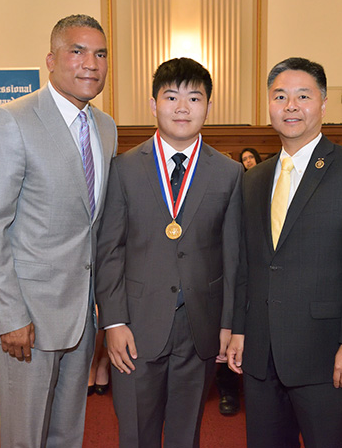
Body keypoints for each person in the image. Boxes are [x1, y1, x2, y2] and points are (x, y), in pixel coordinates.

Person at [226, 57, 342, 447]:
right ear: (268, 106)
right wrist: (238, 329)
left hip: (328, 354)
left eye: (303, 96)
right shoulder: (254, 179)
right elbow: (248, 265)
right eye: (280, 96)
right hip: (262, 354)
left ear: (322, 104)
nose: (290, 105)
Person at [0, 14, 117, 448]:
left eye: (101, 53)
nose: (91, 63)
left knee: (67, 432)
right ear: (50, 60)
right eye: (78, 51)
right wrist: (9, 315)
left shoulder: (104, 128)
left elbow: (92, 223)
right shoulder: (10, 120)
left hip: (81, 315)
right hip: (26, 317)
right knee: (24, 437)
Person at [96, 57, 242, 447]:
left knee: (186, 434)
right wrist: (113, 322)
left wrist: (228, 324)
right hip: (135, 327)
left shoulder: (228, 173)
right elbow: (110, 250)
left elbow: (233, 256)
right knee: (137, 433)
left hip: (200, 327)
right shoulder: (124, 168)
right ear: (153, 103)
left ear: (208, 107)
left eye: (194, 98)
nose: (182, 108)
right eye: (171, 96)